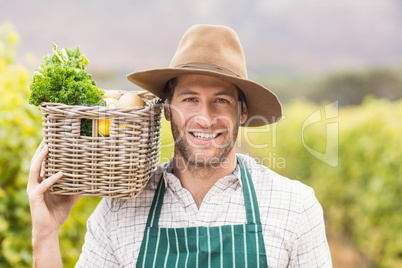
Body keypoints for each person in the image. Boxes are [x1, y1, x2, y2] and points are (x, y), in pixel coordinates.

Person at [28, 24, 332, 267]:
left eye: (221, 101)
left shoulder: (295, 208)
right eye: (190, 99)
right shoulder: (119, 210)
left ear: (242, 112)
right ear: (167, 109)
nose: (205, 117)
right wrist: (45, 233)